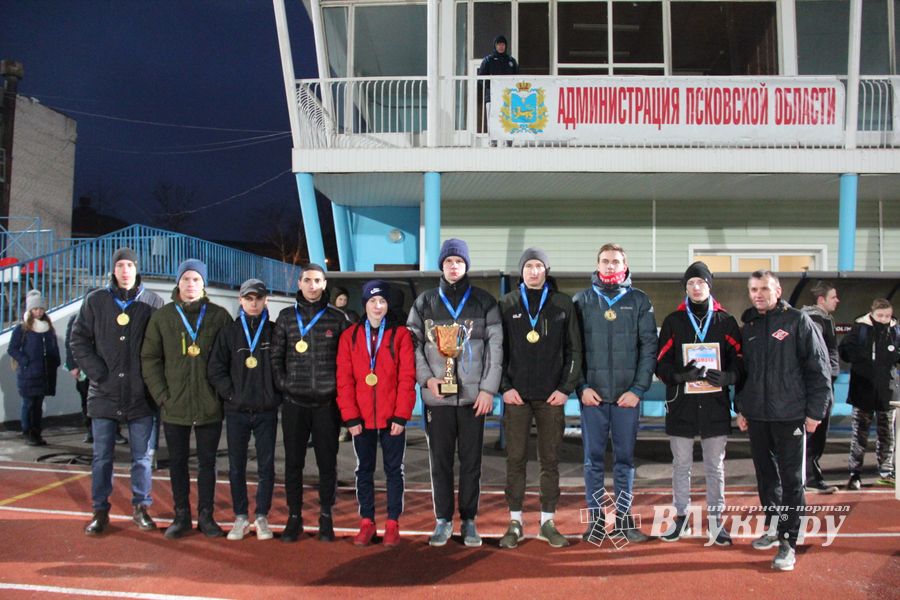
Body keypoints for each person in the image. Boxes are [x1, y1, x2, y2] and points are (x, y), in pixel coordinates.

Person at [407, 238, 503, 547]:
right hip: (438, 397)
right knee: (440, 460)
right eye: (448, 261)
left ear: (466, 265)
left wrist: (488, 389)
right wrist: (426, 380)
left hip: (474, 398)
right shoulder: (424, 302)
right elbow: (412, 346)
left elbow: (496, 349)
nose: (453, 266)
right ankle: (443, 519)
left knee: (472, 461)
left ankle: (470, 520)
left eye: (458, 262)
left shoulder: (484, 301)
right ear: (441, 266)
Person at [735, 270, 830, 571]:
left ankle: (789, 542)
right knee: (766, 477)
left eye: (764, 288)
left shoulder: (798, 321)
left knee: (792, 480)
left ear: (778, 290)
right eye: (753, 289)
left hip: (790, 415)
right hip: (758, 417)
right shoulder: (748, 326)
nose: (758, 294)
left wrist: (815, 412)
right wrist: (741, 407)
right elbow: (743, 375)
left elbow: (819, 368)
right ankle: (774, 528)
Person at [70, 248, 164, 536]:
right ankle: (100, 510)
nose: (125, 270)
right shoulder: (96, 301)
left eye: (130, 265)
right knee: (101, 457)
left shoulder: (153, 302)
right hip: (104, 393)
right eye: (120, 265)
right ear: (113, 269)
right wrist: (98, 373)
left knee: (142, 458)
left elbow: (162, 346)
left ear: (137, 269)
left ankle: (141, 507)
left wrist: (153, 382)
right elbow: (78, 340)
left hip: (141, 396)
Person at [141, 259, 231, 539]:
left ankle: (206, 516)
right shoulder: (163, 317)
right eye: (185, 279)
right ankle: (182, 516)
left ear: (204, 284)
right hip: (174, 404)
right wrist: (162, 396)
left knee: (208, 464)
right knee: (177, 462)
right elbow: (150, 358)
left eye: (196, 280)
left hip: (209, 404)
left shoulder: (219, 316)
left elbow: (229, 359)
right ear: (177, 283)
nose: (190, 285)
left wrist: (220, 395)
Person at [497, 248, 581, 549]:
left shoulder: (562, 304)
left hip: (551, 397)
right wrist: (504, 386)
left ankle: (547, 521)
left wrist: (565, 388)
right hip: (516, 396)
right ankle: (515, 521)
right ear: (521, 271)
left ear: (547, 270)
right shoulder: (506, 304)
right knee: (515, 459)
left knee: (550, 461)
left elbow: (574, 350)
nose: (534, 271)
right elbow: (498, 352)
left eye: (539, 266)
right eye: (528, 266)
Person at [574, 243, 657, 543]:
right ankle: (596, 520)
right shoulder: (581, 300)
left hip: (627, 398)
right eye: (605, 261)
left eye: (616, 261)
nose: (610, 266)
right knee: (592, 460)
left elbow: (649, 348)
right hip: (592, 398)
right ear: (597, 264)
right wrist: (581, 387)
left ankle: (623, 520)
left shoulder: (639, 300)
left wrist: (637, 389)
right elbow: (573, 350)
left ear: (625, 265)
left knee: (624, 460)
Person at [655, 262, 742, 546]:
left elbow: (741, 363)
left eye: (700, 282)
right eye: (691, 283)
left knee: (715, 466)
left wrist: (728, 376)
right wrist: (680, 376)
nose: (696, 287)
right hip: (681, 406)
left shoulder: (726, 322)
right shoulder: (673, 322)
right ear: (686, 287)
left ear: (709, 285)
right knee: (681, 465)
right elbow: (660, 365)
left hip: (715, 406)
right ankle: (681, 519)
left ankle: (716, 522)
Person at [271, 263, 349, 543]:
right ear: (300, 283)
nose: (312, 285)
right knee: (294, 463)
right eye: (307, 280)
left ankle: (326, 517)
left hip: (327, 405)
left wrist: (337, 392)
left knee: (327, 464)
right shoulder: (285, 317)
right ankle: (294, 517)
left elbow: (347, 361)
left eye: (317, 280)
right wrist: (285, 385)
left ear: (325, 284)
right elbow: (275, 358)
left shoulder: (338, 318)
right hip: (294, 403)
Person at [336, 280, 416, 547]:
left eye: (382, 302)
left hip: (391, 417)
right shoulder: (350, 336)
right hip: (361, 420)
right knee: (364, 471)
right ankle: (366, 521)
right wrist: (351, 417)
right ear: (365, 304)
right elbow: (344, 379)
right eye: (372, 301)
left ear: (387, 304)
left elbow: (407, 378)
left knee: (394, 471)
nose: (378, 306)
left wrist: (401, 415)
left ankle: (392, 523)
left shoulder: (401, 335)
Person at [207, 279, 281, 541]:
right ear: (240, 300)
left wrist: (275, 394)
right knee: (236, 466)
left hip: (266, 411)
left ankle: (262, 516)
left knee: (266, 467)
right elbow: (216, 368)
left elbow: (282, 365)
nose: (253, 303)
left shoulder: (274, 331)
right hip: (237, 411)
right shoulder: (229, 332)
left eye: (258, 298)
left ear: (265, 300)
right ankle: (240, 517)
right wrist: (231, 395)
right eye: (248, 298)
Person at [839, 298, 899, 490]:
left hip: (887, 392)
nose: (884, 319)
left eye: (887, 316)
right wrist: (863, 361)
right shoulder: (860, 328)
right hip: (862, 390)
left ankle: (886, 472)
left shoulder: (896, 330)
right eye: (880, 316)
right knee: (860, 434)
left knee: (887, 434)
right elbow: (845, 351)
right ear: (872, 314)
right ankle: (855, 474)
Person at [65, 288, 127, 446]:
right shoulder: (75, 319)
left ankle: (115, 431)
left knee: (112, 401)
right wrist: (73, 366)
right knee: (86, 401)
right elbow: (71, 344)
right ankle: (90, 431)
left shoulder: (111, 318)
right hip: (84, 371)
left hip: (106, 371)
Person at [800, 280, 841, 494]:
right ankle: (806, 480)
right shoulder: (813, 319)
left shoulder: (826, 319)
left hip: (825, 383)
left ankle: (810, 478)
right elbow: (816, 355)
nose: (838, 300)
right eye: (834, 297)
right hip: (817, 386)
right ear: (821, 299)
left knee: (819, 431)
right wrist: (826, 377)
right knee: (813, 431)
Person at [8, 290, 60, 447]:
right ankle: (28, 431)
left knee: (38, 405)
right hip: (28, 374)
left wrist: (55, 361)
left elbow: (53, 347)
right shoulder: (22, 329)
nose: (39, 312)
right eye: (35, 309)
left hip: (44, 374)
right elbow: (13, 349)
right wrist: (25, 361)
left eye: (41, 308)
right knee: (29, 404)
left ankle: (36, 432)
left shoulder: (47, 328)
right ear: (30, 310)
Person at [477, 34, 519, 140]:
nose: (501, 46)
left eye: (503, 44)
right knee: (493, 119)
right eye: (499, 44)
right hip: (492, 97)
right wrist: (491, 86)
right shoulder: (488, 60)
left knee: (508, 119)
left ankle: (509, 140)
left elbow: (517, 78)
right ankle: (493, 141)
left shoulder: (511, 61)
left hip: (508, 97)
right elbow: (481, 78)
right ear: (495, 46)